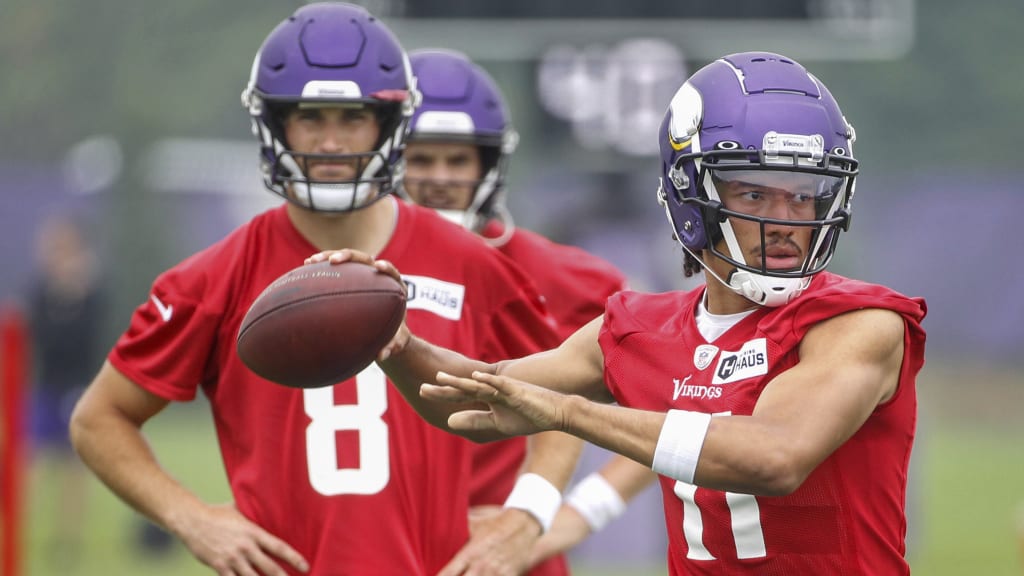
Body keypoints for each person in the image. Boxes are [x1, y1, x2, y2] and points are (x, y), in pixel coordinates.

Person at [310, 51, 928, 574]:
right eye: (753, 190)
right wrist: (394, 342)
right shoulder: (637, 328)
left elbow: (774, 457)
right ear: (692, 197)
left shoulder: (860, 324)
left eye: (806, 194)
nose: (786, 219)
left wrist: (571, 414)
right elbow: (469, 400)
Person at [68, 4, 581, 575]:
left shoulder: (469, 261)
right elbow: (99, 419)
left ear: (388, 125)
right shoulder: (213, 278)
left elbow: (559, 396)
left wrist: (528, 515)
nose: (332, 142)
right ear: (274, 123)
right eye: (310, 117)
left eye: (352, 116)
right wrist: (191, 517)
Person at [399, 48, 634, 572]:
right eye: (421, 158)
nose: (440, 177)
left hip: (505, 556)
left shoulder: (554, 273)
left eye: (458, 159)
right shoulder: (348, 273)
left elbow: (683, 396)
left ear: (489, 164)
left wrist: (574, 513)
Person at [24, 214, 108, 566]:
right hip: (45, 389)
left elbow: (87, 342)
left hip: (78, 388)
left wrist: (75, 296)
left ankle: (67, 541)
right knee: (33, 465)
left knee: (76, 467)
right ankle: (20, 532)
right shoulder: (41, 292)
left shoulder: (92, 294)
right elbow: (39, 339)